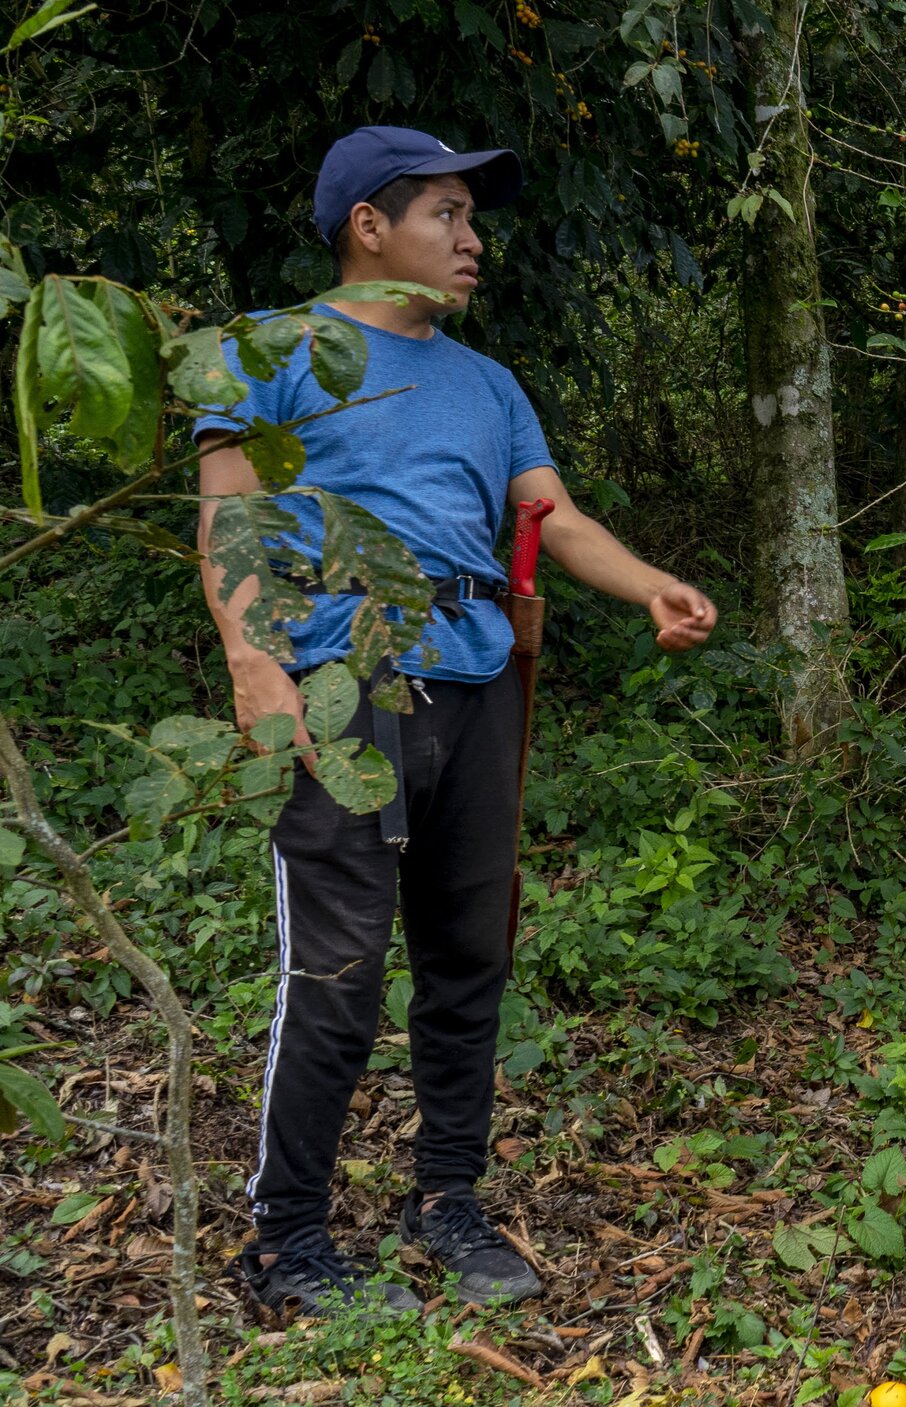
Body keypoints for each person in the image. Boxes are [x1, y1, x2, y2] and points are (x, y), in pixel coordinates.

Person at [195, 126, 719, 1314]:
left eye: (472, 218)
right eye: (446, 213)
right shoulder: (264, 354)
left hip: (476, 690)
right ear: (368, 226)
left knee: (468, 959)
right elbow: (229, 520)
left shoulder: (488, 384)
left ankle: (448, 1204)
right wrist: (253, 662)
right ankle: (286, 1244)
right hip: (344, 687)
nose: (472, 239)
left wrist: (650, 586)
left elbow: (554, 515)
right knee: (334, 972)